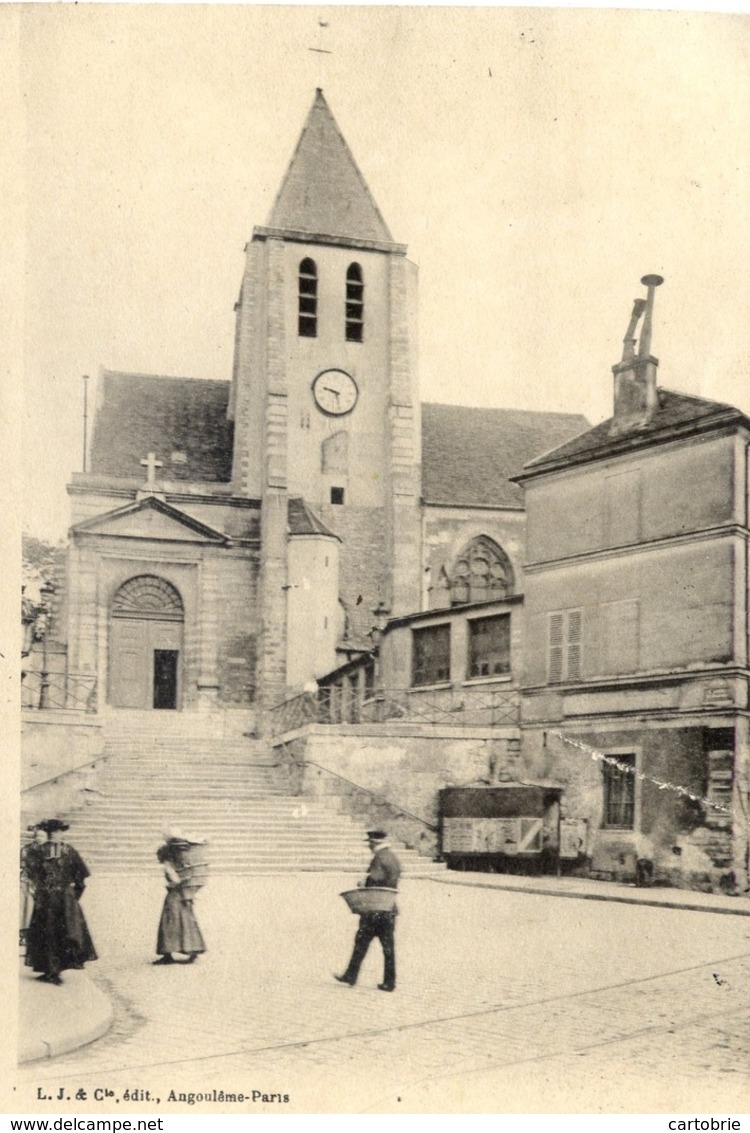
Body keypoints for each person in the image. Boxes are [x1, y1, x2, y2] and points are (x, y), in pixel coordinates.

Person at [24, 819, 97, 985]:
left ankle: (50, 969)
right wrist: (72, 896)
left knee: (47, 932)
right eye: (59, 831)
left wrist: (39, 893)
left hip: (46, 897)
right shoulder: (68, 850)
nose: (60, 834)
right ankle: (55, 969)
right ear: (55, 833)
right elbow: (81, 878)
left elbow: (32, 875)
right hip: (63, 898)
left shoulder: (38, 851)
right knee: (60, 931)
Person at [335, 829, 401, 992]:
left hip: (374, 908)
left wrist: (363, 882)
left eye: (370, 843)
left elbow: (376, 879)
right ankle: (389, 982)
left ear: (375, 843)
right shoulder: (392, 857)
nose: (369, 847)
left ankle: (351, 975)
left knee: (361, 942)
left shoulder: (379, 858)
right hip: (389, 907)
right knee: (387, 947)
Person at [153, 829, 206, 965]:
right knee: (187, 921)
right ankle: (193, 950)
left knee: (169, 923)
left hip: (174, 895)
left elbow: (175, 880)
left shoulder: (168, 864)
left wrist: (170, 885)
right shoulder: (181, 861)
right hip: (184, 894)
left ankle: (167, 954)